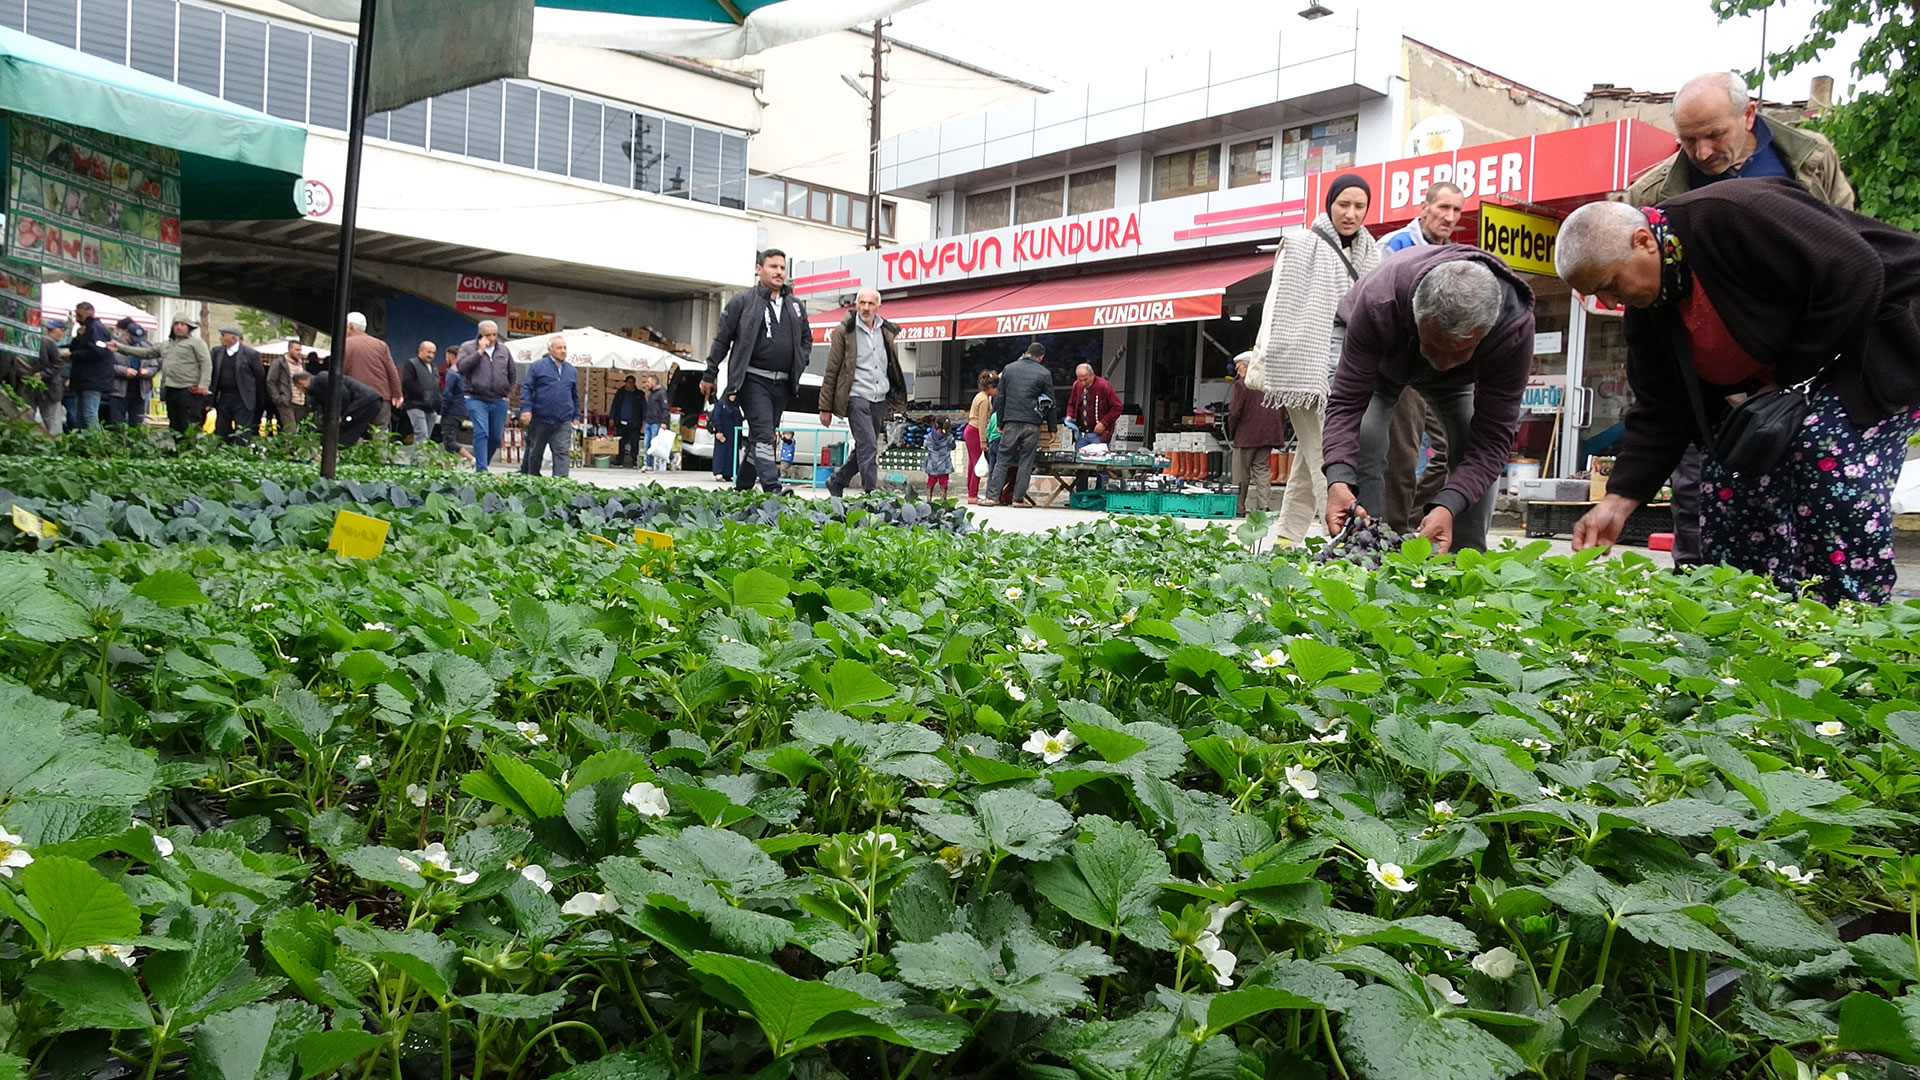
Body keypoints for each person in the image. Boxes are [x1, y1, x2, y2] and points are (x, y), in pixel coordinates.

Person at [1556, 184, 1920, 604]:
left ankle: (1851, 622)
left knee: (1823, 456)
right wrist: (1618, 502)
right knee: (1730, 473)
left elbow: (1857, 269)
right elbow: (1662, 411)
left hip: (1873, 343)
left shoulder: (1728, 216)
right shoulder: (1649, 314)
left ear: (1643, 243)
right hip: (1786, 387)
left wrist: (1785, 378)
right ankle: (1753, 619)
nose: (1610, 300)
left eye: (1610, 284)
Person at [1627, 71, 1857, 569]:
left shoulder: (1811, 158)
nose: (1703, 152)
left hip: (1806, 371)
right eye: (1689, 140)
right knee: (1704, 504)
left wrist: (1791, 372)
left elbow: (1847, 251)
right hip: (1715, 382)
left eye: (1715, 135)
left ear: (1748, 115)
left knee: (1813, 505)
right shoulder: (1651, 190)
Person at [1322, 247, 1536, 554]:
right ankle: (1363, 553)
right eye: (1435, 346)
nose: (1443, 363)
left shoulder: (1512, 330)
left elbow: (1492, 441)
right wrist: (1338, 477)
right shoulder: (1380, 301)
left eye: (1459, 351)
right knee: (1365, 432)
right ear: (1415, 315)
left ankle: (1468, 559)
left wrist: (1449, 504)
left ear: (1484, 333)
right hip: (1382, 352)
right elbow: (1346, 403)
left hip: (1457, 379)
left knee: (1469, 436)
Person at [1258, 174, 1382, 542]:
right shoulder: (1301, 244)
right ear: (1329, 204)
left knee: (1307, 458)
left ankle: (1285, 540)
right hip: (1305, 370)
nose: (1351, 213)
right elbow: (1277, 305)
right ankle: (1345, 543)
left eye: (1359, 206)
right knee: (1327, 458)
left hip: (1348, 372)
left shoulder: (1371, 252)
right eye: (1344, 204)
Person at [1378, 182, 1464, 532]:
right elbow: (1377, 303)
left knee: (1453, 448)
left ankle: (1415, 520)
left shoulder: (1456, 254)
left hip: (1442, 367)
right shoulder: (1395, 246)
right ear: (1424, 207)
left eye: (1457, 210)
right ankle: (1396, 533)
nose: (1449, 217)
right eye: (1443, 207)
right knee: (1404, 455)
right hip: (1403, 364)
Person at [699, 249, 809, 495]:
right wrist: (710, 373)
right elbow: (722, 340)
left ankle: (743, 486)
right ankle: (772, 487)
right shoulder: (742, 301)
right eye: (773, 266)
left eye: (782, 267)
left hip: (782, 383)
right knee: (762, 433)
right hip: (752, 379)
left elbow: (805, 340)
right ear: (759, 269)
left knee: (763, 435)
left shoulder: (795, 306)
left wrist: (801, 361)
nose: (779, 272)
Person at [821, 287, 908, 496]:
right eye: (862, 303)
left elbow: (892, 365)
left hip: (880, 398)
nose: (866, 308)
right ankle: (872, 495)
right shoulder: (845, 331)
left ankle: (837, 480)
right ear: (856, 305)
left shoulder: (886, 330)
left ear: (878, 306)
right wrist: (824, 407)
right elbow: (832, 369)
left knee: (864, 446)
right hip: (856, 396)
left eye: (870, 303)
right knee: (869, 446)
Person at [984, 342, 1054, 508]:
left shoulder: (1009, 369)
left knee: (1003, 460)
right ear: (1041, 357)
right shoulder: (1044, 373)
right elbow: (1051, 403)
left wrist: (1000, 422)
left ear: (1026, 352)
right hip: (1032, 423)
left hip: (1011, 422)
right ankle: (1017, 500)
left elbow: (1000, 399)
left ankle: (992, 497)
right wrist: (1052, 428)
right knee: (1026, 461)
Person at [1227, 352, 1287, 516]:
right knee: (1262, 471)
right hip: (1268, 436)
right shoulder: (1272, 384)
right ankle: (1264, 506)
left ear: (1247, 366)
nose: (1237, 372)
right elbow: (1283, 411)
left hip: (1245, 436)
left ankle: (1239, 508)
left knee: (1241, 473)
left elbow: (1235, 412)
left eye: (1239, 368)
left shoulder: (1243, 384)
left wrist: (1232, 431)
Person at [455, 320, 517, 471]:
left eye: (494, 335)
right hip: (475, 398)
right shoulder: (467, 347)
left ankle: (482, 462)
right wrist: (479, 352)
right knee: (481, 431)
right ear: (480, 335)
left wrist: (509, 394)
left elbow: (512, 374)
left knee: (495, 437)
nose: (491, 338)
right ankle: (482, 470)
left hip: (499, 399)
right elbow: (461, 367)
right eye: (488, 335)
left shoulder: (503, 350)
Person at [519, 335, 580, 478]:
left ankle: (561, 482)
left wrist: (576, 414)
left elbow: (574, 394)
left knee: (562, 452)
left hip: (563, 419)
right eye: (559, 348)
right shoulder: (538, 366)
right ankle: (532, 479)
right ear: (550, 349)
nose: (563, 351)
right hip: (541, 417)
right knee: (536, 451)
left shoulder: (571, 370)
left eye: (565, 348)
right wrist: (526, 409)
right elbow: (527, 388)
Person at [1065, 361, 1122, 492]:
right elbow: (1072, 404)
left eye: (1085, 379)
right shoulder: (1077, 386)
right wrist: (1069, 416)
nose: (1083, 383)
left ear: (1092, 375)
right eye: (1080, 380)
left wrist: (1104, 422)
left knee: (1101, 467)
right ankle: (1081, 495)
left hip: (1099, 434)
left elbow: (1117, 407)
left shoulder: (1103, 386)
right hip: (1082, 433)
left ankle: (1100, 495)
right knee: (1081, 466)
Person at [151, 318, 212, 436]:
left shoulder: (196, 343)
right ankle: (178, 451)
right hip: (171, 389)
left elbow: (206, 363)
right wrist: (120, 347)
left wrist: (203, 384)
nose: (179, 327)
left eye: (183, 324)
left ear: (188, 327)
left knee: (189, 425)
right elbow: (146, 352)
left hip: (189, 390)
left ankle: (190, 452)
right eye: (176, 324)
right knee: (174, 424)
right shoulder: (166, 345)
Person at [294, 369, 382, 446]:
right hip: (368, 400)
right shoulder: (318, 386)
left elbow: (343, 395)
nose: (300, 391)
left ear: (301, 382)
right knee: (354, 430)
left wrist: (340, 414)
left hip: (364, 401)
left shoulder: (321, 379)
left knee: (345, 431)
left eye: (298, 388)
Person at [209, 325, 264, 444]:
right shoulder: (217, 352)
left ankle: (240, 455)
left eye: (223, 335)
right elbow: (213, 374)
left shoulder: (250, 354)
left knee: (242, 430)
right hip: (223, 396)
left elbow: (259, 375)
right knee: (222, 429)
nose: (220, 338)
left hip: (243, 398)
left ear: (233, 338)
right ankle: (223, 455)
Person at [64, 302, 115, 429]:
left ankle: (97, 443)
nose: (77, 318)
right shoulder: (86, 330)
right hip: (84, 378)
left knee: (88, 414)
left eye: (80, 315)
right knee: (80, 416)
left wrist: (73, 356)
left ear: (90, 313)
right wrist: (78, 338)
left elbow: (98, 352)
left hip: (93, 378)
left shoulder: (96, 329)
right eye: (76, 315)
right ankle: (84, 444)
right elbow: (75, 348)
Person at [107, 317, 158, 427]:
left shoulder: (146, 347)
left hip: (140, 392)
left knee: (137, 424)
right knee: (118, 424)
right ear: (125, 333)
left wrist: (147, 371)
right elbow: (107, 366)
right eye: (132, 337)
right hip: (118, 391)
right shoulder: (114, 346)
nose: (135, 341)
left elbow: (154, 366)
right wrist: (123, 371)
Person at [400, 340, 442, 449]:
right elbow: (407, 382)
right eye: (429, 352)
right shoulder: (411, 364)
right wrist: (423, 396)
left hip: (431, 407)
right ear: (420, 351)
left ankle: (422, 460)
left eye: (433, 353)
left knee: (426, 436)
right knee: (421, 433)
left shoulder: (433, 367)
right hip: (415, 404)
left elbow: (436, 386)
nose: (431, 355)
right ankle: (418, 462)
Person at [964, 369, 998, 503]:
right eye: (995, 388)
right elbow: (983, 421)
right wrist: (983, 441)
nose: (996, 391)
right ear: (990, 387)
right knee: (978, 464)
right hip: (976, 431)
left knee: (972, 464)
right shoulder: (984, 400)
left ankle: (971, 493)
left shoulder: (979, 396)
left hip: (970, 429)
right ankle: (973, 495)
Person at [31, 318, 66, 436]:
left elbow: (58, 363)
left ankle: (56, 449)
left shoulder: (48, 342)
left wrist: (43, 374)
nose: (49, 331)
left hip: (51, 389)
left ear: (62, 331)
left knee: (53, 423)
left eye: (52, 329)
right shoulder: (45, 341)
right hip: (39, 388)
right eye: (49, 329)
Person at [267, 341, 308, 434]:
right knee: (290, 431)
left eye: (300, 350)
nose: (299, 352)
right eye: (296, 349)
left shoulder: (301, 364)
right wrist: (277, 398)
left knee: (295, 430)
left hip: (300, 402)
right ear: (289, 349)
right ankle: (289, 448)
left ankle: (287, 447)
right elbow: (271, 381)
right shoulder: (279, 363)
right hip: (286, 401)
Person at [439, 358, 472, 459]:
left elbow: (447, 393)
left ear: (450, 357)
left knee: (449, 441)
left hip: (451, 411)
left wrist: (443, 410)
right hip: (462, 410)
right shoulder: (466, 374)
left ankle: (472, 459)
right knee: (451, 440)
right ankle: (448, 466)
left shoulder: (452, 373)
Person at [709, 392, 742, 484]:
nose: (733, 397)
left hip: (733, 433)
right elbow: (716, 417)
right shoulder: (720, 404)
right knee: (721, 452)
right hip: (723, 431)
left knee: (731, 453)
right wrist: (718, 430)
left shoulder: (735, 405)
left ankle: (729, 473)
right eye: (731, 395)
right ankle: (718, 472)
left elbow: (739, 418)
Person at [610, 375, 643, 467]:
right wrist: (612, 417)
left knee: (634, 442)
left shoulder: (639, 394)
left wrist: (644, 421)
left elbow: (644, 408)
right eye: (629, 382)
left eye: (632, 382)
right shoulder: (620, 393)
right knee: (621, 442)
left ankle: (634, 461)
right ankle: (619, 461)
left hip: (634, 423)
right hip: (621, 422)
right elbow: (614, 405)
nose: (630, 384)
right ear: (625, 383)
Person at [642, 373, 672, 470]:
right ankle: (648, 464)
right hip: (649, 421)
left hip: (656, 422)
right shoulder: (652, 393)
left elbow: (665, 408)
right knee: (647, 444)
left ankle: (672, 457)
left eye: (648, 382)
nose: (646, 384)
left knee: (655, 443)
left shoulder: (661, 393)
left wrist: (663, 422)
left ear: (654, 382)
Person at [924, 416, 956, 499]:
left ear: (936, 424)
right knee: (944, 482)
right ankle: (943, 499)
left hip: (932, 464)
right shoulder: (949, 438)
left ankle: (929, 499)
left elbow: (925, 445)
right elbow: (953, 447)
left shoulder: (930, 437)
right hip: (944, 465)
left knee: (930, 481)